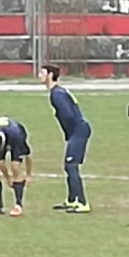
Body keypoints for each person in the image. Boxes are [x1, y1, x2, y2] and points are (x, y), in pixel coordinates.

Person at [42, 64, 92, 213]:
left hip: (78, 130)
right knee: (68, 165)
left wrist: (71, 132)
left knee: (71, 166)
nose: (39, 75)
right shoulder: (58, 92)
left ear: (50, 75)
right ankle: (71, 200)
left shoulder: (56, 94)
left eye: (42, 73)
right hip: (76, 131)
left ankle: (82, 203)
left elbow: (68, 115)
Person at [0, 116, 32, 216]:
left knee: (16, 167)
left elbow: (28, 156)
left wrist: (28, 175)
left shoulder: (17, 135)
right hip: (4, 135)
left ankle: (18, 205)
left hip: (15, 137)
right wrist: (8, 178)